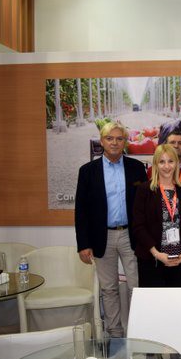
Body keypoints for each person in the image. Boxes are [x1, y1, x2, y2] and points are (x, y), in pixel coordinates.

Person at [75, 121, 147, 337]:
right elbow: (81, 210)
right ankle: (115, 335)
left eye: (119, 138)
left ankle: (138, 333)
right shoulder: (87, 171)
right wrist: (83, 244)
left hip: (130, 236)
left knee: (137, 287)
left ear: (125, 142)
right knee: (109, 288)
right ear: (102, 141)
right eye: (109, 138)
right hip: (101, 237)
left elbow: (145, 206)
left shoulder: (137, 168)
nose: (114, 143)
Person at [133, 144, 181, 287]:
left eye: (170, 161)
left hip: (180, 260)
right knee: (154, 301)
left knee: (178, 300)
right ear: (155, 164)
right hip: (152, 260)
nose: (166, 166)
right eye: (162, 162)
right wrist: (156, 254)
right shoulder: (144, 190)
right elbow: (138, 226)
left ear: (177, 163)